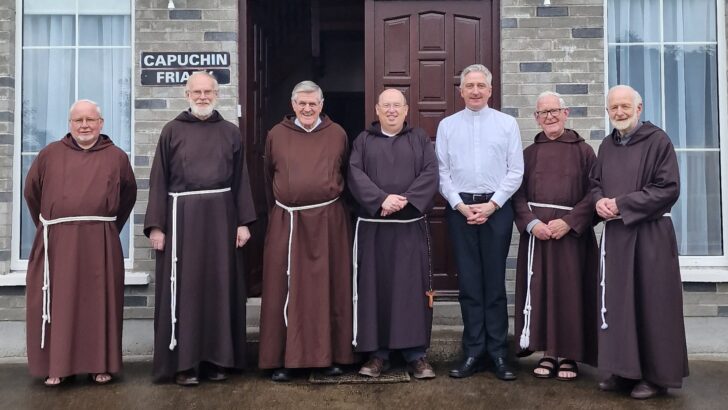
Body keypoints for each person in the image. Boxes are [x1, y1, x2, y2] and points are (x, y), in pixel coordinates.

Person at [144, 71, 256, 386]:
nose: (203, 96)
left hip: (222, 221)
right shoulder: (171, 131)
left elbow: (241, 180)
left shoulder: (230, 132)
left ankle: (219, 360)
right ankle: (184, 363)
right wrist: (157, 226)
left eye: (209, 91)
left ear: (217, 94)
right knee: (186, 290)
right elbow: (158, 181)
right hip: (182, 222)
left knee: (219, 287)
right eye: (197, 91)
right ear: (187, 94)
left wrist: (244, 222)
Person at [24, 99, 137, 386]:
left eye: (90, 120)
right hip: (58, 242)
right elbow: (31, 193)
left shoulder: (117, 157)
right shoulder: (50, 155)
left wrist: (105, 226)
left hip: (100, 240)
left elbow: (127, 196)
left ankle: (101, 365)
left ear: (101, 123)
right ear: (70, 124)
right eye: (78, 120)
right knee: (60, 303)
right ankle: (57, 366)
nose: (84, 125)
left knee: (99, 303)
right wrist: (52, 227)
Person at [591, 84, 688, 399]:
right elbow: (594, 183)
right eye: (613, 108)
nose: (619, 112)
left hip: (650, 237)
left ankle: (655, 376)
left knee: (652, 304)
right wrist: (599, 202)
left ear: (639, 108)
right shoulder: (606, 146)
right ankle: (622, 371)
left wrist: (621, 204)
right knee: (619, 305)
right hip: (617, 237)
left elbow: (668, 188)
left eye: (624, 106)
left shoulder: (658, 141)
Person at [258, 80, 355, 381]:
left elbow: (346, 174)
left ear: (322, 105)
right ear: (293, 105)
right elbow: (266, 179)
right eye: (302, 103)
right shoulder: (277, 135)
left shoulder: (337, 134)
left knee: (330, 289)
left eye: (313, 103)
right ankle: (285, 359)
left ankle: (333, 356)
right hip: (288, 221)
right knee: (284, 289)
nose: (308, 108)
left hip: (329, 222)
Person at [435, 64, 524, 381]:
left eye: (480, 86)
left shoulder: (506, 124)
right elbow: (442, 173)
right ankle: (473, 351)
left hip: (496, 210)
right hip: (460, 211)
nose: (475, 91)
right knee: (470, 284)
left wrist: (493, 204)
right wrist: (460, 206)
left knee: (494, 284)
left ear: (490, 90)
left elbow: (515, 171)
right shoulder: (447, 126)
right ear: (461, 91)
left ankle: (499, 353)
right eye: (469, 85)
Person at [348, 89, 439, 379]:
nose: (391, 110)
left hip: (408, 227)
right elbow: (354, 174)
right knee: (376, 288)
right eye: (385, 105)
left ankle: (416, 355)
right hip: (374, 230)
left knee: (410, 289)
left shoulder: (420, 139)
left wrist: (405, 200)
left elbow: (430, 172)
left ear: (406, 110)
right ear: (376, 110)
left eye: (396, 106)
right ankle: (377, 354)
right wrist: (380, 199)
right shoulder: (363, 141)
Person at [512, 91, 598, 381]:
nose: (548, 117)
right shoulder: (528, 154)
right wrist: (532, 223)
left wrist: (570, 222)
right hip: (539, 235)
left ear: (566, 113)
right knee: (542, 292)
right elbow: (518, 195)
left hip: (570, 237)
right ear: (536, 118)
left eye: (554, 111)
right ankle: (548, 352)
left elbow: (595, 193)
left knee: (570, 293)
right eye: (542, 113)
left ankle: (570, 355)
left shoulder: (585, 152)